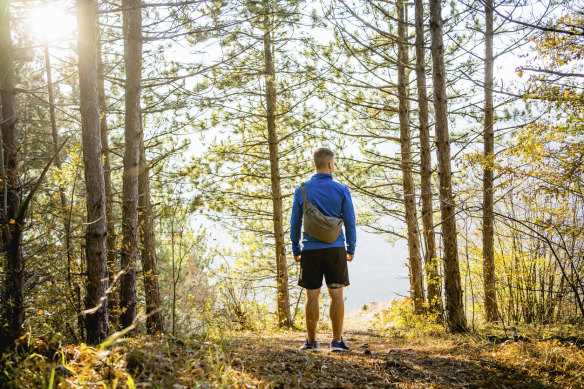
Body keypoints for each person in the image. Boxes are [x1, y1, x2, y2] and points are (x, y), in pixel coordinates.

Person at [290, 147, 356, 352]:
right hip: (336, 248)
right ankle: (336, 342)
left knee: (312, 296)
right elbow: (350, 222)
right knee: (336, 295)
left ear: (314, 164)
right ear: (330, 164)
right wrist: (351, 246)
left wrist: (296, 248)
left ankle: (311, 342)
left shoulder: (302, 190)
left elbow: (294, 223)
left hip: (310, 250)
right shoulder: (342, 190)